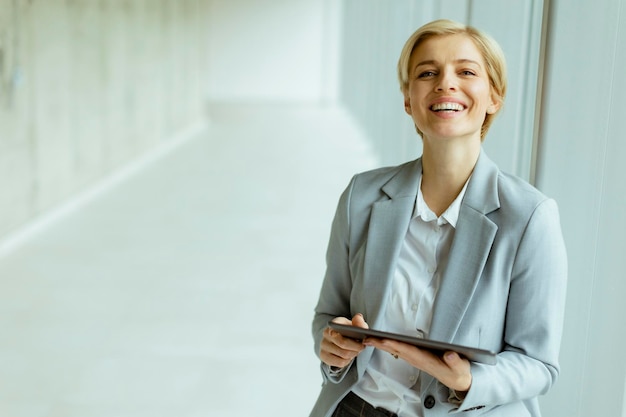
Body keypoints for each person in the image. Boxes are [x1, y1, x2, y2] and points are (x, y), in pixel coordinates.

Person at [310, 19, 567, 417]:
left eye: (466, 72)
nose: (446, 83)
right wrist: (332, 348)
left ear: (494, 97)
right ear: (408, 100)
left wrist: (467, 381)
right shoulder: (361, 196)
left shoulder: (531, 217)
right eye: (427, 73)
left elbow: (540, 364)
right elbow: (328, 315)